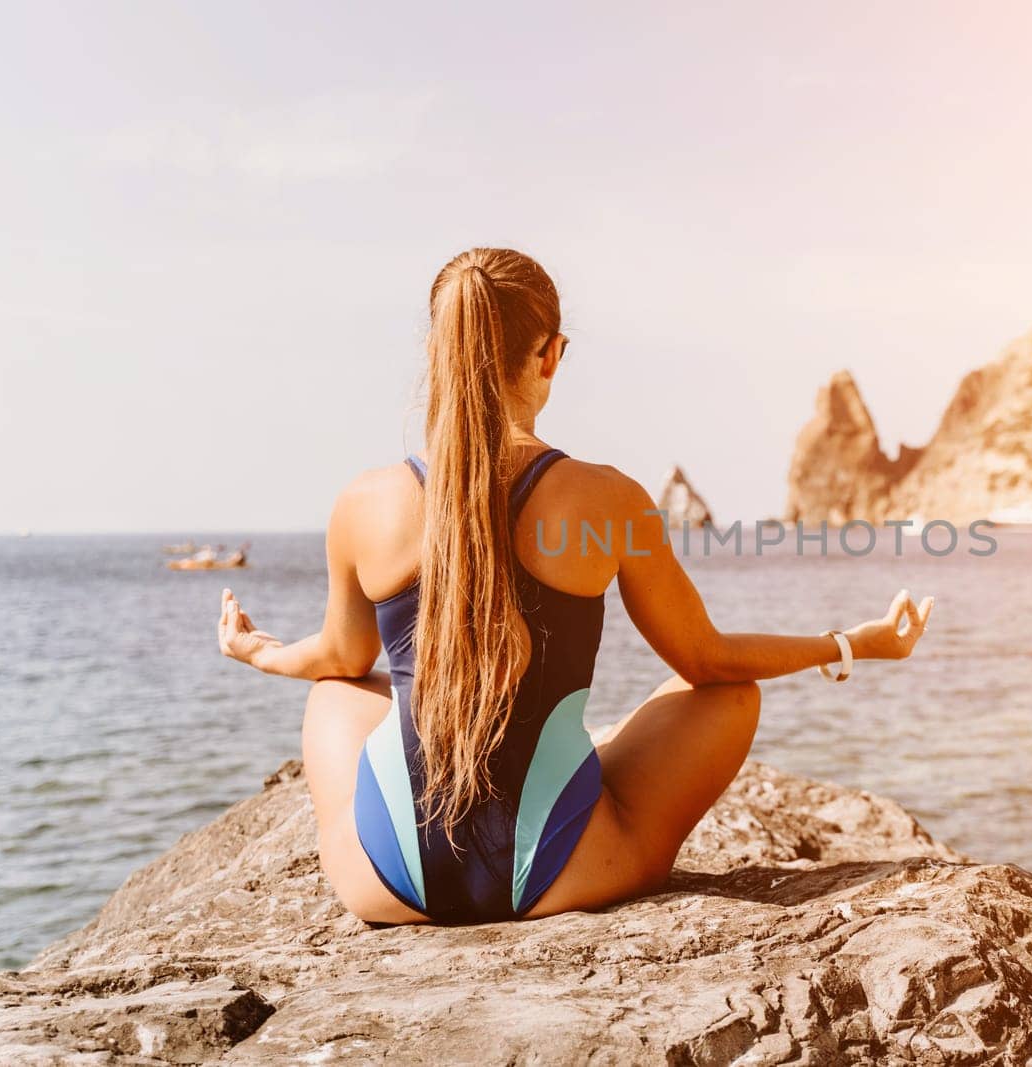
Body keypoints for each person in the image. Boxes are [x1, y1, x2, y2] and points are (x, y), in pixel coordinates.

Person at [215, 248, 935, 925]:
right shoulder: (607, 498)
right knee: (728, 696)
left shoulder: (364, 502)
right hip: (562, 877)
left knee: (341, 690)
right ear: (551, 353)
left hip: (389, 882)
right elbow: (706, 661)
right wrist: (851, 643)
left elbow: (339, 656)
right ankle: (575, 757)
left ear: (438, 352)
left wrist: (259, 652)